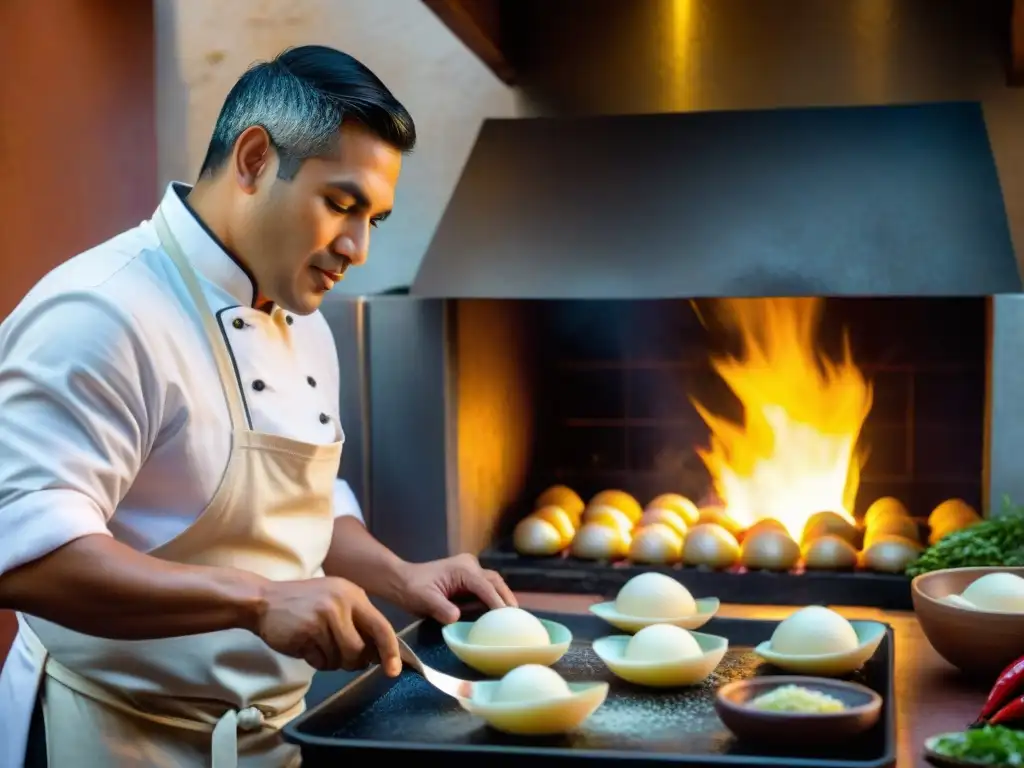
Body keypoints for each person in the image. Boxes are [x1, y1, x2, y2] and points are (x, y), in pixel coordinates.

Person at [0, 45, 515, 768]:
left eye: (375, 219)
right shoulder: (100, 311)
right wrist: (256, 601)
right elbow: (22, 558)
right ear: (251, 159)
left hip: (270, 742)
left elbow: (298, 511)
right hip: (110, 739)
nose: (357, 247)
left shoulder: (304, 318)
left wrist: (401, 576)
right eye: (341, 204)